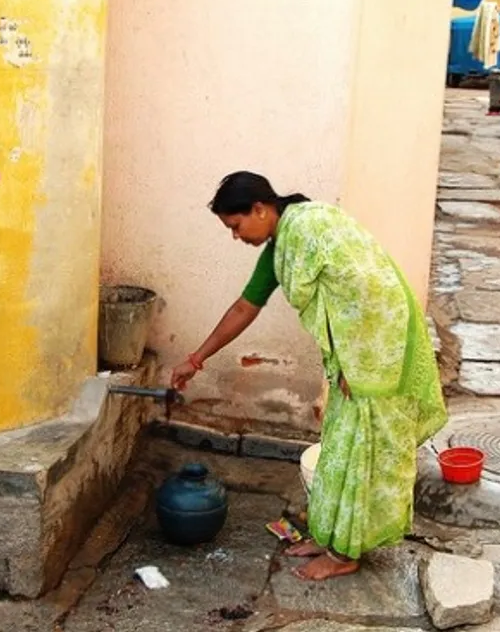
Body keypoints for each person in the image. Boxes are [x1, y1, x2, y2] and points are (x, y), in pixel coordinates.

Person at [171, 172, 448, 583]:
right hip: (356, 354)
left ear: (260, 209)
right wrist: (195, 359)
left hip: (377, 350)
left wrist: (360, 363)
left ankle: (345, 555)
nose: (235, 236)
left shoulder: (308, 227)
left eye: (236, 225)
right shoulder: (282, 245)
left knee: (362, 454)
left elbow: (369, 287)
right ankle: (330, 537)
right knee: (338, 444)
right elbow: (245, 307)